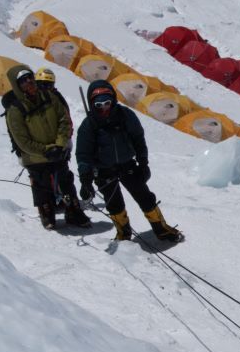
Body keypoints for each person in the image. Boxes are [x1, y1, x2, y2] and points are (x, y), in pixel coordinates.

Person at [75, 79, 181, 243]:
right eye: (98, 104)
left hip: (127, 165)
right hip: (104, 170)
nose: (104, 107)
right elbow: (83, 155)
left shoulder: (125, 115)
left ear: (114, 100)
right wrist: (85, 179)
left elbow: (138, 139)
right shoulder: (89, 125)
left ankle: (161, 229)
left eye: (107, 102)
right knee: (114, 204)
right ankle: (123, 235)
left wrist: (143, 163)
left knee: (145, 197)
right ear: (92, 104)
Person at [2, 63, 90, 231]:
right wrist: (47, 150)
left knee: (65, 179)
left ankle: (73, 210)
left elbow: (64, 120)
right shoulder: (15, 110)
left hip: (58, 149)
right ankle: (46, 211)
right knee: (41, 183)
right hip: (35, 156)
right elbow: (22, 141)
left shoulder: (50, 97)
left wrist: (59, 144)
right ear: (17, 85)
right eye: (23, 80)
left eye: (30, 78)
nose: (29, 82)